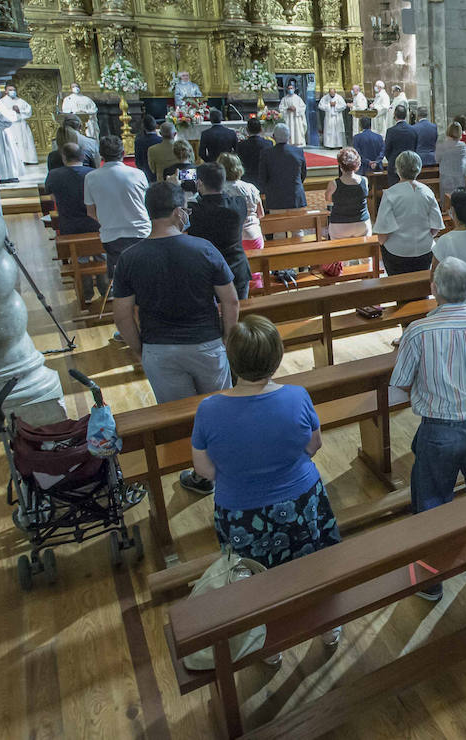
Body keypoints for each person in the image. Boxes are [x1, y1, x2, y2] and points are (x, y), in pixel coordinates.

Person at [189, 315, 342, 651]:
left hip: (240, 511)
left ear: (232, 359)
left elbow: (202, 468)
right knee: (312, 565)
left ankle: (267, 644)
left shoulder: (209, 409)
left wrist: (237, 477)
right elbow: (314, 444)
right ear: (278, 356)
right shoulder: (297, 396)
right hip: (301, 500)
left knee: (252, 578)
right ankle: (326, 626)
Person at [390, 258, 466, 600]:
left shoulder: (418, 331)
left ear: (434, 288)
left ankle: (431, 583)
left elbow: (401, 381)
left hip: (439, 429)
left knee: (432, 504)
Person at [113, 182, 239, 495]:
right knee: (219, 412)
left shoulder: (129, 257)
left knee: (179, 419)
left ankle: (200, 474)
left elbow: (123, 315)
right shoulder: (203, 248)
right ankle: (227, 470)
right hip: (207, 343)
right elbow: (231, 301)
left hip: (159, 348)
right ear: (177, 211)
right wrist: (227, 339)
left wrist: (141, 349)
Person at [84, 134, 149, 285]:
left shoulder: (91, 177)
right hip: (140, 231)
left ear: (101, 155)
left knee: (121, 280)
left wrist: (109, 221)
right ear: (123, 154)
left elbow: (90, 211)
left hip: (112, 236)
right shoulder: (138, 174)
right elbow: (146, 204)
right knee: (144, 277)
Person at [45, 142, 106, 303]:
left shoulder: (54, 175)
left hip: (70, 226)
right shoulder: (94, 173)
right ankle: (107, 291)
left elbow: (52, 198)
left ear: (63, 158)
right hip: (96, 225)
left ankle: (85, 295)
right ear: (83, 156)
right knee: (102, 257)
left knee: (79, 259)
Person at [372, 151, 444, 274]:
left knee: (397, 288)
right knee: (420, 288)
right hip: (424, 250)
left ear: (398, 169)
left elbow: (383, 235)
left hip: (397, 253)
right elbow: (435, 228)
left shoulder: (390, 194)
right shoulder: (428, 192)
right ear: (419, 169)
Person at [189, 162, 252, 300]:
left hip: (208, 273)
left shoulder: (193, 210)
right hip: (237, 269)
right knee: (239, 314)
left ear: (199, 183)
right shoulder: (239, 203)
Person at [217, 152, 265, 292]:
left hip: (233, 236)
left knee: (234, 272)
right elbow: (260, 214)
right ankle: (259, 298)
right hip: (253, 234)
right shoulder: (250, 188)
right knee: (255, 272)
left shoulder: (220, 189)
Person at [324, 148, 372, 239]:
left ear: (340, 165)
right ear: (357, 164)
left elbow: (329, 199)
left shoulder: (334, 184)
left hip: (339, 225)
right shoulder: (364, 181)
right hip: (361, 224)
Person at [258, 123, 308, 210]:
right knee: (298, 222)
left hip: (275, 198)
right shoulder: (298, 151)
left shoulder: (266, 153)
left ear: (273, 137)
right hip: (296, 196)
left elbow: (263, 177)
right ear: (289, 137)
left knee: (277, 223)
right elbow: (303, 174)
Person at [0, 83, 36, 165]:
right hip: (10, 126)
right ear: (6, 91)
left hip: (21, 125)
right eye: (10, 90)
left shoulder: (20, 101)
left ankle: (28, 159)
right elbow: (1, 114)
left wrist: (19, 110)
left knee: (24, 142)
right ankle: (15, 162)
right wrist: (12, 113)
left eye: (14, 90)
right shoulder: (1, 102)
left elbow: (28, 111)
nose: (12, 92)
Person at [434, 120, 466, 206]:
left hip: (446, 176)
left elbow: (437, 159)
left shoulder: (441, 145)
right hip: (459, 176)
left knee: (446, 200)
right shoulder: (462, 145)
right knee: (459, 201)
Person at [383, 104, 417, 179]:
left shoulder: (391, 131)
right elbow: (415, 148)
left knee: (395, 188)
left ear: (395, 115)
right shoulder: (413, 130)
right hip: (410, 165)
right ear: (405, 115)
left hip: (394, 166)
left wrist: (393, 160)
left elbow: (387, 150)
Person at [134, 114, 164, 183]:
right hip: (161, 175)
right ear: (156, 126)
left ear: (144, 127)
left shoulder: (138, 141)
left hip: (146, 175)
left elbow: (138, 162)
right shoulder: (161, 140)